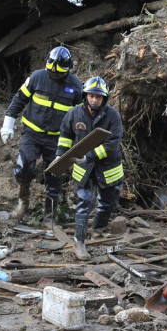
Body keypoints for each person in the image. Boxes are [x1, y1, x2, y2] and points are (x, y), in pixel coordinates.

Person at [0, 46, 83, 227]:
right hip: (32, 133)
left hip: (57, 139)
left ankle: (49, 216)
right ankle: (23, 202)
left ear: (68, 69)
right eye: (51, 71)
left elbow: (81, 117)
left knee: (55, 176)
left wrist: (79, 140)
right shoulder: (37, 77)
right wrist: (8, 124)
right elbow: (19, 99)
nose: (54, 74)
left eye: (58, 72)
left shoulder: (76, 87)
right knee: (24, 168)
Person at [56, 76, 124, 260]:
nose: (94, 100)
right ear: (85, 96)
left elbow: (112, 144)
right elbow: (65, 135)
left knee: (107, 204)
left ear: (104, 99)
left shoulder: (112, 116)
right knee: (84, 204)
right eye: (91, 96)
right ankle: (79, 242)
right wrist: (60, 155)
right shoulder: (74, 114)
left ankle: (98, 231)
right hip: (83, 170)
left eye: (98, 97)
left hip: (108, 169)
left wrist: (89, 156)